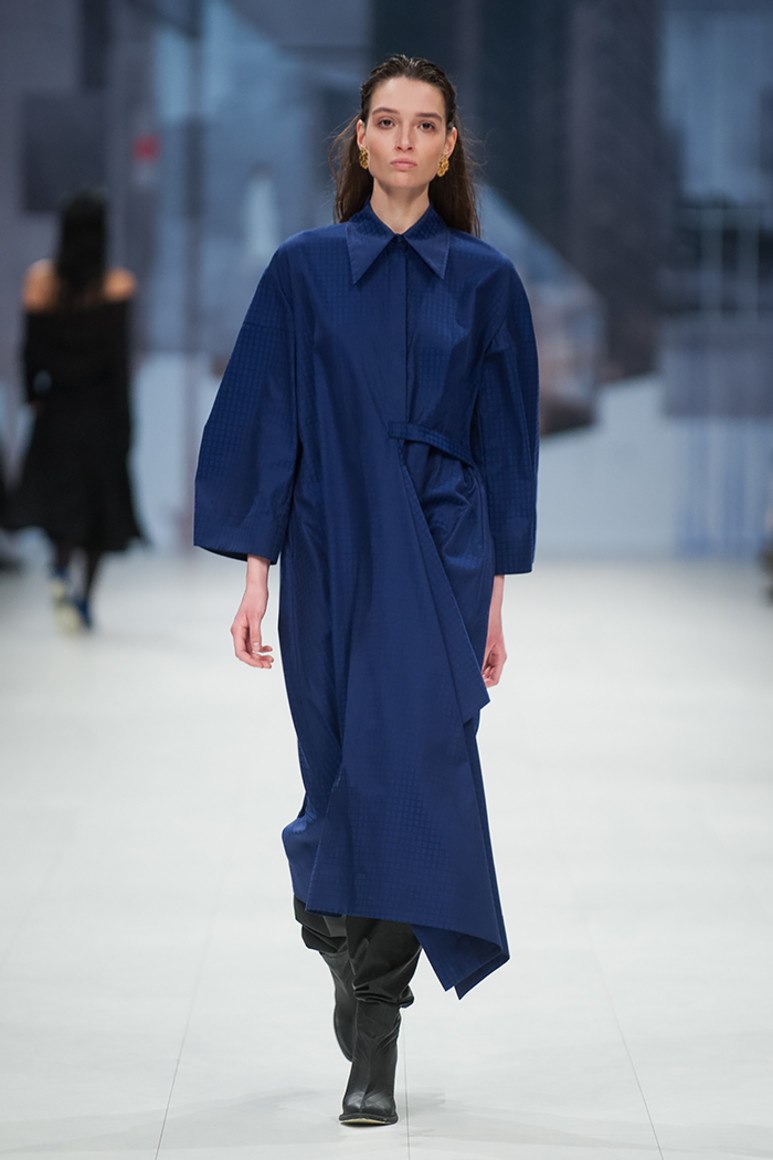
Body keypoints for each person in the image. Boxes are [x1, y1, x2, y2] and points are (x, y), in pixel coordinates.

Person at [194, 54, 539, 1126]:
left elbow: (505, 447)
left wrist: (493, 599)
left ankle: (375, 1037)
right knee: (341, 769)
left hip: (441, 552)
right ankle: (332, 924)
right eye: (385, 122)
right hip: (332, 543)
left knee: (411, 776)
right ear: (358, 138)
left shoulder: (485, 280)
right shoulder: (302, 271)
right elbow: (265, 417)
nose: (402, 141)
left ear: (447, 147)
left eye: (423, 125)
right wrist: (255, 576)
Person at [9, 189, 143, 630]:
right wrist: (126, 422)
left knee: (61, 501)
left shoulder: (40, 283)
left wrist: (34, 397)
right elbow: (118, 364)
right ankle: (84, 598)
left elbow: (31, 351)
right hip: (101, 411)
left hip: (59, 408)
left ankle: (59, 570)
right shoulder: (117, 285)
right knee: (99, 509)